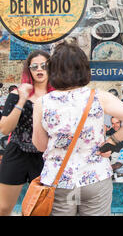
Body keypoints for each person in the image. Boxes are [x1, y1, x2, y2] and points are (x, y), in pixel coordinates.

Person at [32, 42, 123, 216]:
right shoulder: (98, 97)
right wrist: (111, 142)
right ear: (84, 69)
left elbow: (40, 146)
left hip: (59, 181)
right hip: (94, 178)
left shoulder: (42, 103)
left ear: (53, 71)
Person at [0, 50, 54, 216]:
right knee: (3, 207)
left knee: (38, 210)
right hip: (17, 153)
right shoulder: (16, 94)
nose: (39, 70)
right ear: (28, 70)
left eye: (44, 66)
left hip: (44, 156)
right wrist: (22, 99)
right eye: (34, 66)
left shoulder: (57, 96)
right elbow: (4, 129)